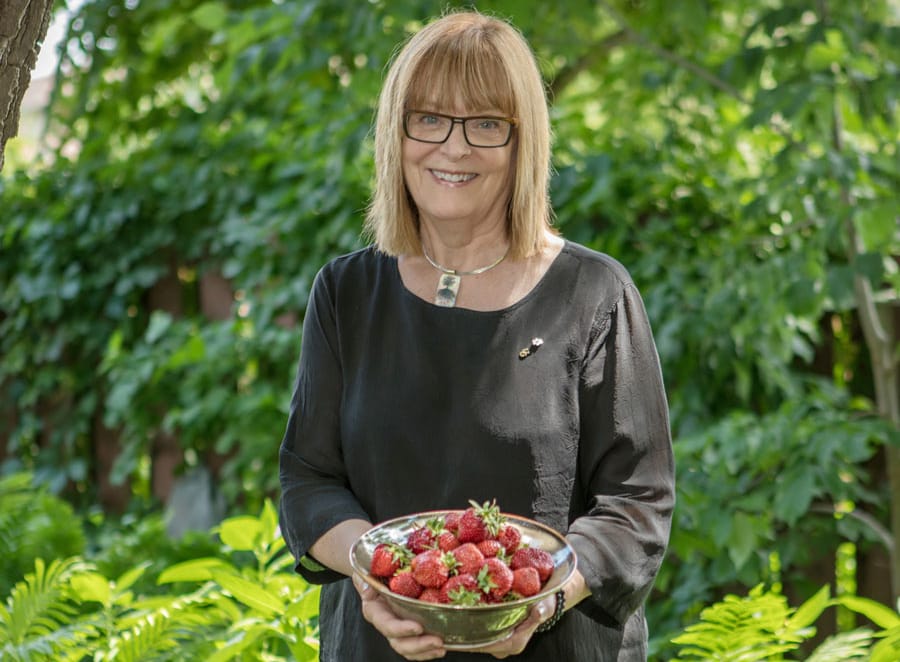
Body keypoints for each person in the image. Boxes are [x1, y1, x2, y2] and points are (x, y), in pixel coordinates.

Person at [278, 9, 675, 661]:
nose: (453, 147)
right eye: (428, 118)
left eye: (485, 124)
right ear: (395, 133)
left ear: (523, 142)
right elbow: (308, 479)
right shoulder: (347, 294)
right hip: (378, 645)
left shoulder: (593, 295)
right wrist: (374, 578)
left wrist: (543, 597)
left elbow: (637, 504)